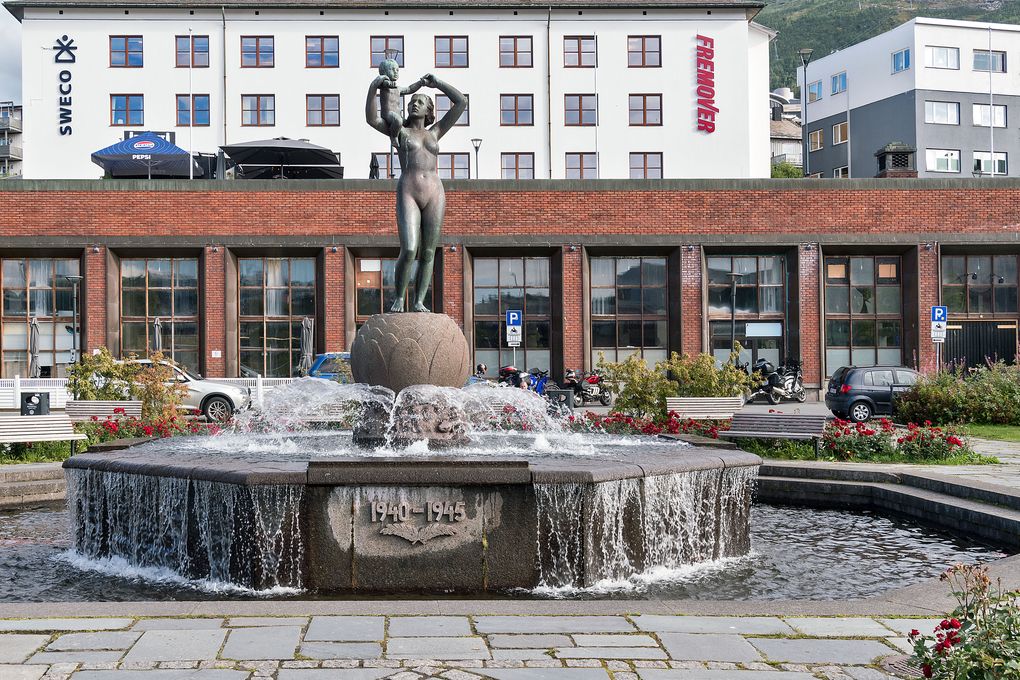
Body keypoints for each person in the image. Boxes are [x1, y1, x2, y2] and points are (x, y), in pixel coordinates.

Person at [366, 72, 467, 312]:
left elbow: (461, 102)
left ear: (429, 110)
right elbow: (372, 119)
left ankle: (419, 301)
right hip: (409, 190)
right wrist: (373, 89)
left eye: (420, 102)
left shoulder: (435, 132)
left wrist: (437, 83)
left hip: (435, 192)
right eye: (412, 101)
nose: (414, 103)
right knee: (410, 248)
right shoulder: (399, 131)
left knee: (429, 251)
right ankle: (399, 297)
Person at [374, 57, 425, 149]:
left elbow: (410, 89)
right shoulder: (384, 85)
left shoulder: (398, 88)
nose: (396, 72)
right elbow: (381, 83)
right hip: (388, 114)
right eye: (392, 69)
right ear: (384, 72)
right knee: (398, 121)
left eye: (397, 70)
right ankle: (393, 137)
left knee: (409, 122)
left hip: (398, 115)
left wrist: (420, 83)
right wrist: (387, 83)